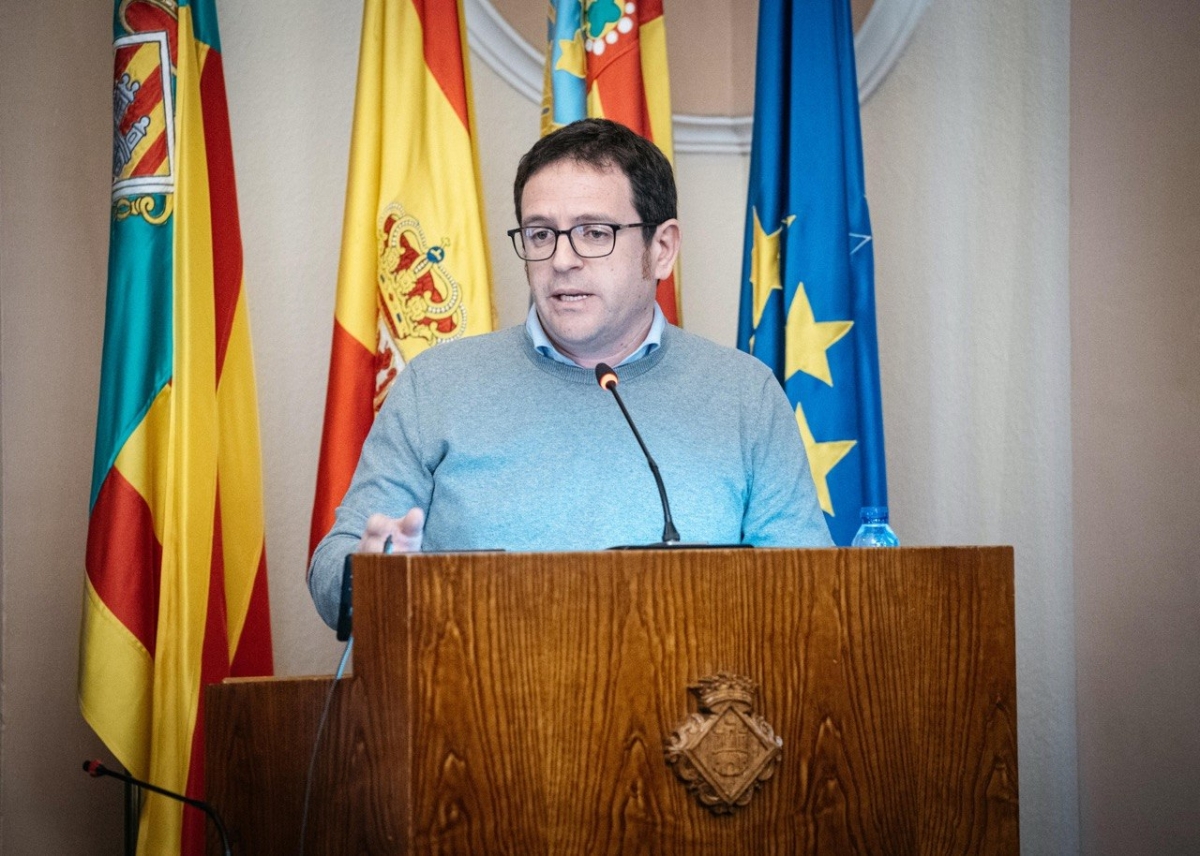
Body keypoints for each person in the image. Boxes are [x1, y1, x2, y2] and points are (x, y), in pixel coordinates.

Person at [308, 118, 832, 629]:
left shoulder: (745, 394)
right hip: (481, 686)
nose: (561, 260)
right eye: (541, 234)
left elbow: (807, 593)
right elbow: (333, 568)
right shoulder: (436, 386)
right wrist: (368, 578)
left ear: (662, 249)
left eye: (594, 232)